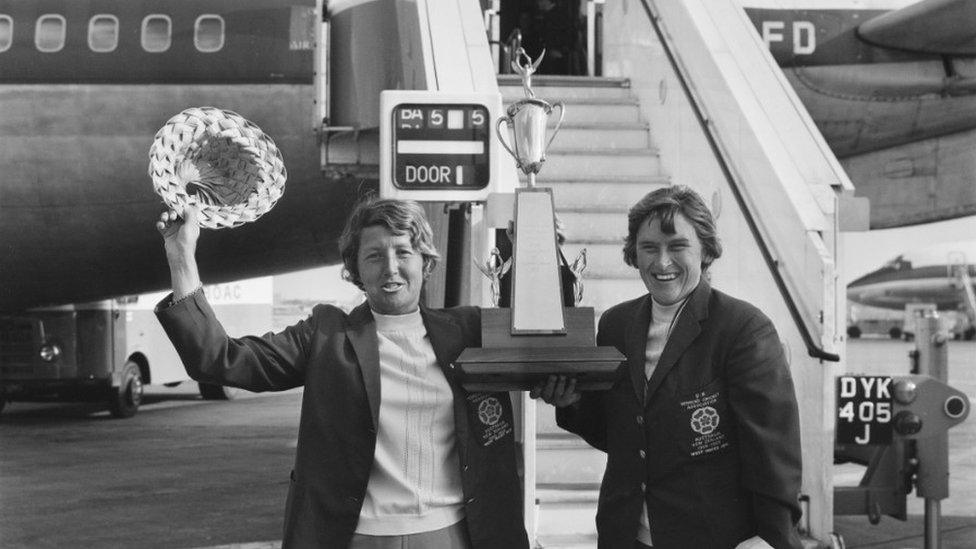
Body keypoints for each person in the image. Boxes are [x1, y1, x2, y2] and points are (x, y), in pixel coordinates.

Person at [155, 197, 529, 549]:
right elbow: (219, 359)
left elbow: (542, 346)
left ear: (426, 263)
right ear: (355, 271)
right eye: (374, 256)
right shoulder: (326, 335)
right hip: (359, 537)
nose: (391, 268)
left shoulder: (468, 330)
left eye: (403, 252)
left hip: (453, 535)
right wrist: (181, 255)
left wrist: (539, 244)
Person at [532, 185, 803, 549]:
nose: (662, 262)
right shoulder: (616, 325)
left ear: (705, 251)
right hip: (627, 535)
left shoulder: (742, 329)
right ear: (634, 253)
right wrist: (571, 403)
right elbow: (619, 435)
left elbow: (772, 449)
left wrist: (771, 536)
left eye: (677, 247)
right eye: (649, 248)